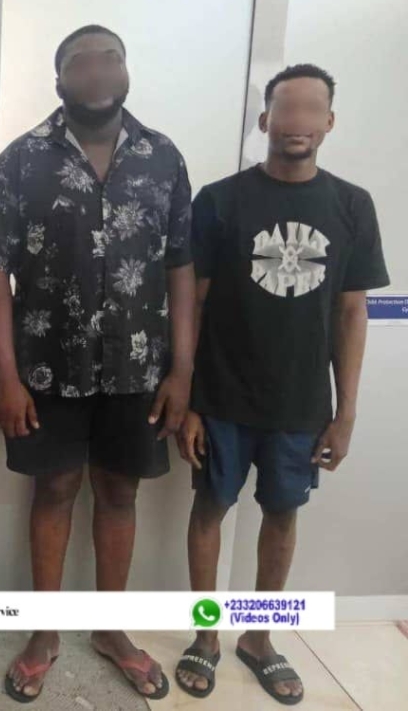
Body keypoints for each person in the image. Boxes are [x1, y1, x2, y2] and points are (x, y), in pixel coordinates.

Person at [0, 25, 196, 702]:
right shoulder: (20, 162)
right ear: (59, 79)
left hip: (139, 368)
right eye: (81, 61)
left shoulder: (163, 158)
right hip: (47, 368)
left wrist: (182, 371)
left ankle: (109, 629)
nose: (97, 70)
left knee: (120, 494)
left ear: (126, 72)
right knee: (54, 492)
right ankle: (44, 632)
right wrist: (4, 376)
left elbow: (181, 267)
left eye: (110, 58)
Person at [175, 64, 388, 705]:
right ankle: (207, 635)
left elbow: (352, 313)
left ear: (329, 122)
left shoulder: (352, 205)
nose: (297, 122)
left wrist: (346, 412)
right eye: (285, 110)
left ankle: (260, 637)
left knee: (282, 516)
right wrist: (189, 398)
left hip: (300, 405)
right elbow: (194, 303)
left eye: (311, 110)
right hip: (221, 397)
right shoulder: (219, 200)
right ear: (265, 119)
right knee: (208, 511)